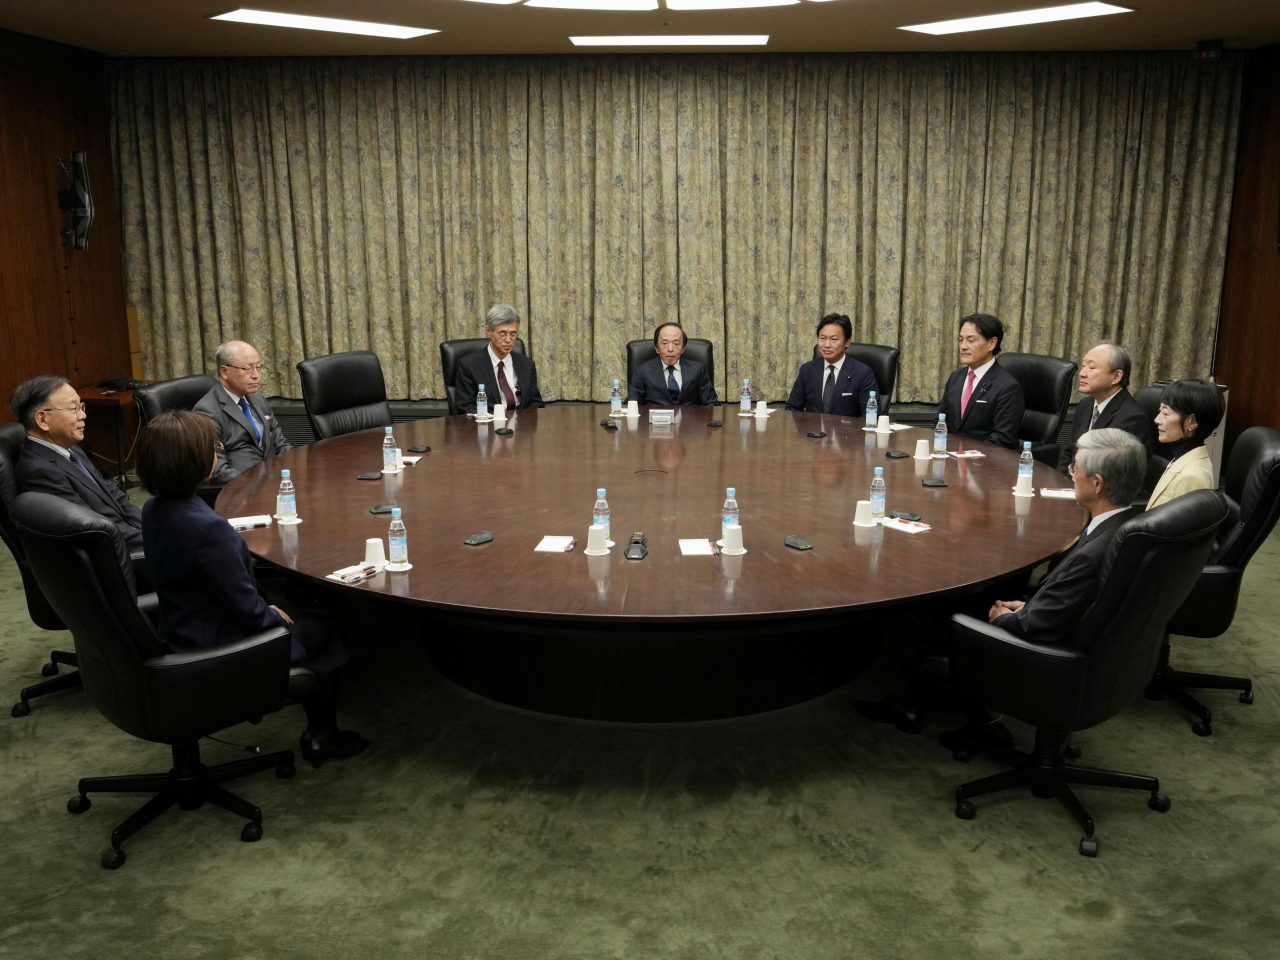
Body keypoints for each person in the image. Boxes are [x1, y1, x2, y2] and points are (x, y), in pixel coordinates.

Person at [136, 410, 367, 765]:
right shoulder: (208, 530)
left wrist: (265, 608)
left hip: (181, 633)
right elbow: (248, 611)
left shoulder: (154, 508)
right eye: (213, 446)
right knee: (329, 629)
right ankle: (322, 737)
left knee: (287, 611)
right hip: (223, 650)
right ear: (196, 461)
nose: (218, 450)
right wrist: (276, 620)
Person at [991, 428, 1148, 645]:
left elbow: (1038, 626)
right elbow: (1065, 602)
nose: (1071, 474)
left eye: (1075, 469)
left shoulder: (1093, 555)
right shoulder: (1123, 525)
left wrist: (1004, 619)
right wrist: (1030, 607)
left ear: (1097, 484)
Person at [10, 375, 144, 553]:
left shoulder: (71, 449)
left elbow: (116, 498)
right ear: (42, 420)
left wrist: (153, 528)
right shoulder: (39, 471)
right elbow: (94, 531)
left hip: (135, 539)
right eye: (73, 408)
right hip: (119, 558)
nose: (83, 415)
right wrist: (157, 540)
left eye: (81, 407)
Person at [193, 341, 291, 486]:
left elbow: (281, 444)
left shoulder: (257, 398)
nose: (256, 376)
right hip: (240, 490)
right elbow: (217, 469)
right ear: (224, 371)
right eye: (247, 369)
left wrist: (296, 469)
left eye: (258, 367)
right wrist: (258, 482)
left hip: (276, 480)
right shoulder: (207, 411)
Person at [1057, 341, 1154, 473]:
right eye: (1083, 366)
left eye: (1091, 368)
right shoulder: (1086, 405)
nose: (1082, 373)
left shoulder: (1132, 418)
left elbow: (1118, 476)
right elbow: (1069, 453)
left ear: (1116, 376)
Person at [937, 313, 1024, 450]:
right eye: (961, 340)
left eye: (971, 341)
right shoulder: (956, 377)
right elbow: (941, 422)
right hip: (951, 459)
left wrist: (966, 457)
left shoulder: (1007, 387)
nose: (963, 346)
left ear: (991, 343)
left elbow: (1003, 439)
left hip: (986, 464)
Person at [1146, 379, 1223, 510]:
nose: (1157, 419)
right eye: (1160, 411)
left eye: (1165, 413)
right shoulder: (1182, 457)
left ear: (1192, 422)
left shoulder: (1193, 477)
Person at [454, 305, 545, 414]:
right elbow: (465, 408)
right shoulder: (469, 365)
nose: (508, 340)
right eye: (502, 334)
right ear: (488, 331)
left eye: (513, 334)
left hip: (522, 426)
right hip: (487, 426)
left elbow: (536, 403)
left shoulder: (526, 364)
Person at [785, 314, 879, 416]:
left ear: (847, 342)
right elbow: (792, 408)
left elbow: (870, 416)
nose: (827, 345)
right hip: (813, 431)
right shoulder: (807, 370)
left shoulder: (862, 373)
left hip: (848, 431)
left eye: (834, 339)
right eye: (823, 338)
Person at [628, 322, 717, 406]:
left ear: (683, 348)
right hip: (654, 421)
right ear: (657, 348)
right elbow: (632, 404)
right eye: (665, 343)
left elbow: (711, 403)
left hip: (690, 420)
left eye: (676, 343)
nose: (670, 349)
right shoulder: (642, 371)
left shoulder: (698, 369)